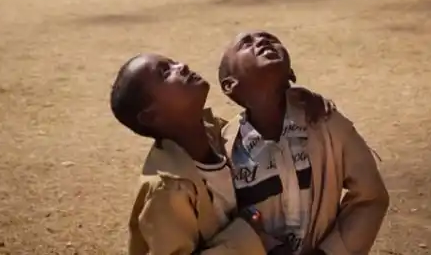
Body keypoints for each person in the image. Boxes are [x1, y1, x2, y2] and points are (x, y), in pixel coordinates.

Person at [110, 53, 335, 255]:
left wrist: (295, 103)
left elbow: (274, 134)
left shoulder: (223, 135)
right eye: (165, 72)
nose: (182, 66)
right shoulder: (167, 190)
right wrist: (245, 237)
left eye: (173, 62)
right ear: (150, 116)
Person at [219, 31, 390, 255]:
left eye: (271, 39)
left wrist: (330, 251)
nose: (262, 41)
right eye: (246, 43)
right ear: (230, 85)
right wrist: (265, 246)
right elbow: (224, 219)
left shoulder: (326, 123)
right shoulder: (226, 149)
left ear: (290, 72)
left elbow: (370, 195)